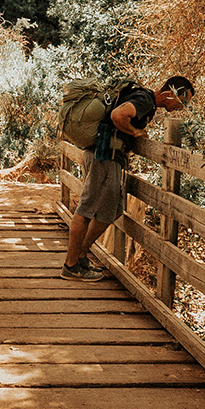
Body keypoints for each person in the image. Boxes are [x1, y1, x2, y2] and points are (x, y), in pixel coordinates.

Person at [62, 74, 195, 279]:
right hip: (104, 156)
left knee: (113, 211)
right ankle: (71, 266)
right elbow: (118, 115)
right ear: (171, 93)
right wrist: (134, 132)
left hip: (106, 157)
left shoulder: (145, 100)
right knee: (87, 209)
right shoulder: (145, 100)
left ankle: (81, 255)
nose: (182, 107)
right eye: (183, 101)